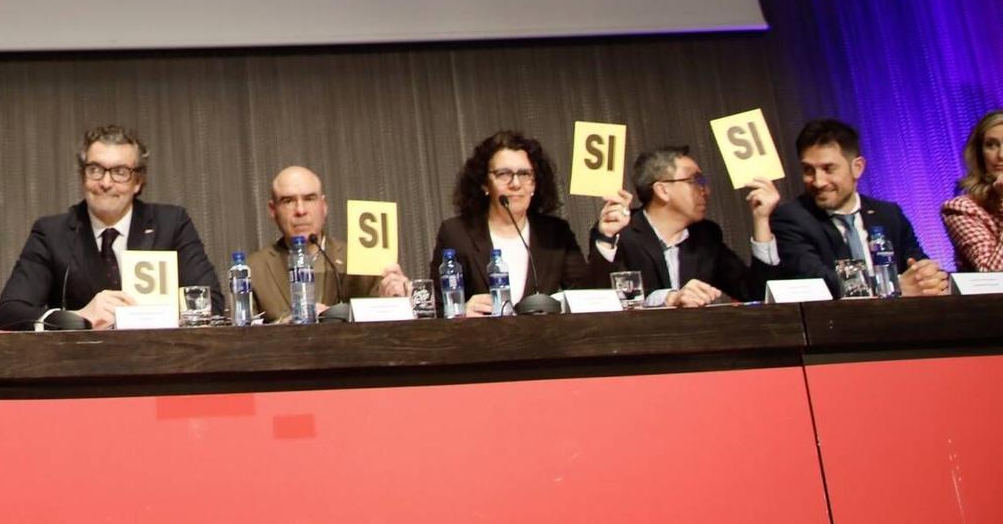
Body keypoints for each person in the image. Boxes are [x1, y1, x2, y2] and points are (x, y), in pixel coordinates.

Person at [0, 124, 220, 330]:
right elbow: (8, 313)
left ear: (138, 181)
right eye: (95, 170)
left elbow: (212, 304)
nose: (105, 183)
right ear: (83, 177)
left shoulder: (171, 224)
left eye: (120, 172)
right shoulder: (52, 233)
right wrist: (76, 317)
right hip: (80, 365)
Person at [771, 118, 948, 296]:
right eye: (808, 170)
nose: (818, 182)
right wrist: (892, 287)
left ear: (857, 167)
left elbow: (915, 264)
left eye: (828, 169)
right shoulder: (791, 218)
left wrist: (928, 277)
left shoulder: (889, 214)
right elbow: (818, 281)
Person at [586, 145, 778, 306]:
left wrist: (761, 220)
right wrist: (670, 298)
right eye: (695, 181)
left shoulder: (706, 236)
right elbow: (608, 299)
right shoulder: (622, 234)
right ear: (662, 190)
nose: (706, 190)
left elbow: (755, 293)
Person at [430, 130, 588, 314]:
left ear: (535, 184)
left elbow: (585, 294)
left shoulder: (556, 233)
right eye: (504, 174)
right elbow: (437, 308)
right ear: (484, 184)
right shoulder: (456, 234)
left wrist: (605, 238)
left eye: (524, 174)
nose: (515, 184)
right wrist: (460, 311)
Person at [247, 165, 409, 321]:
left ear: (323, 206)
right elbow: (241, 336)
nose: (301, 210)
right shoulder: (253, 269)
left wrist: (395, 303)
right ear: (273, 210)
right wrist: (285, 324)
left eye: (309, 199)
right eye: (288, 201)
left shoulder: (361, 258)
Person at [940, 109, 1003, 273]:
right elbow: (992, 274)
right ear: (979, 153)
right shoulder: (961, 208)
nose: (1001, 155)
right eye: (991, 145)